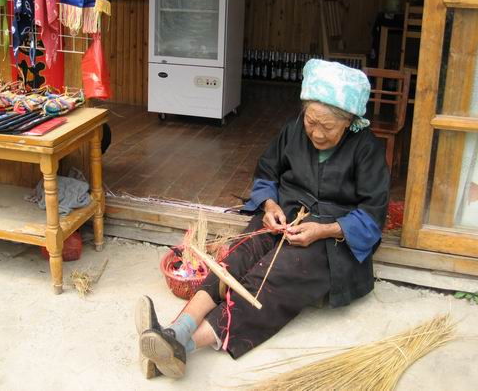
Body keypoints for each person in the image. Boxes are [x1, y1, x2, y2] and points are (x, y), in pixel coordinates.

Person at [135, 59, 390, 379]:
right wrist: (270, 205)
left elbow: (372, 215)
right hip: (286, 214)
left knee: (274, 276)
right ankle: (176, 330)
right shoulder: (294, 130)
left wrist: (324, 230)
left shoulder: (366, 149)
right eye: (312, 121)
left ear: (350, 121)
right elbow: (267, 172)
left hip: (331, 239)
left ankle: (183, 347)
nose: (317, 133)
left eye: (328, 126)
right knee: (239, 255)